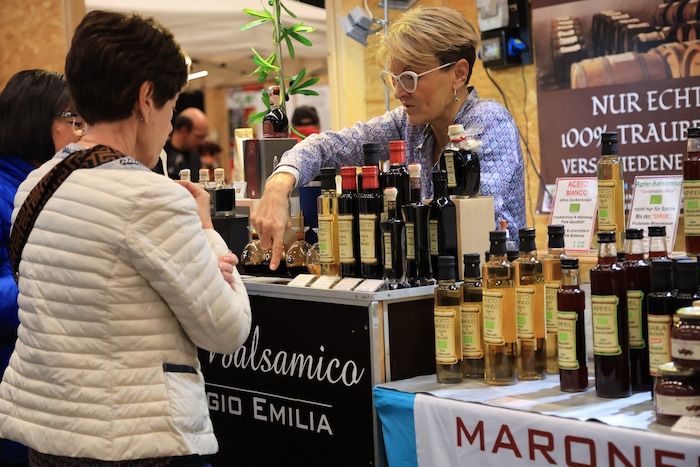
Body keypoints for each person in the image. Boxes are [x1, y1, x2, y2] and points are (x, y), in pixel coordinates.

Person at [0, 10, 251, 466]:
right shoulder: (151, 197)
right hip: (132, 441)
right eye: (171, 107)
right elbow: (227, 330)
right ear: (146, 99)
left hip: (46, 434)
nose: (169, 126)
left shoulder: (36, 184)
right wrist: (209, 233)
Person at [250, 6, 527, 270]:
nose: (398, 92)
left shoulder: (489, 122)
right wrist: (279, 184)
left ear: (458, 73)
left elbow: (469, 219)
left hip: (491, 284)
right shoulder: (408, 124)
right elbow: (329, 146)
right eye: (395, 78)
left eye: (410, 78)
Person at [0, 69, 84, 467]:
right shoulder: (8, 191)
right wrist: (65, 283)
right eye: (74, 121)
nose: (82, 133)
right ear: (36, 121)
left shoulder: (47, 184)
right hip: (16, 386)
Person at [157, 107, 210, 181]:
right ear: (183, 131)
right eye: (199, 137)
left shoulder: (195, 157)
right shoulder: (160, 156)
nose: (203, 142)